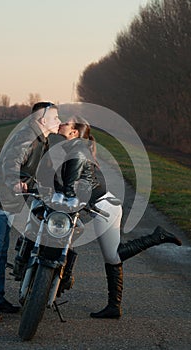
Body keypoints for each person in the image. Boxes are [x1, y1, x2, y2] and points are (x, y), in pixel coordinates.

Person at [52, 115, 182, 319]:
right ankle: (113, 307)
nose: (61, 124)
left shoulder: (77, 151)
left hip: (105, 207)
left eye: (66, 123)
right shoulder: (74, 149)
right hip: (103, 205)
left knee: (113, 256)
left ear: (74, 132)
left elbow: (69, 189)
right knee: (111, 256)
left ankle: (157, 237)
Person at [0, 102, 61, 321]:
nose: (60, 121)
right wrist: (15, 181)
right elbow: (11, 162)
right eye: (56, 118)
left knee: (0, 252)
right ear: (42, 120)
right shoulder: (26, 137)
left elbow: (43, 170)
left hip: (8, 202)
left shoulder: (42, 139)